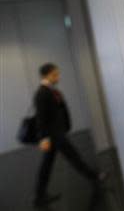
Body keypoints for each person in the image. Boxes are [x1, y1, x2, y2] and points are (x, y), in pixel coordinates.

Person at [33, 63, 106, 208]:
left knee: (47, 166)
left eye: (57, 74)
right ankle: (94, 177)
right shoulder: (42, 93)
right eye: (54, 74)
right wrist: (44, 138)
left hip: (57, 134)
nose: (57, 77)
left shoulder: (50, 90)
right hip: (54, 136)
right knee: (74, 157)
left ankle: (39, 196)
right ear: (45, 75)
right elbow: (41, 118)